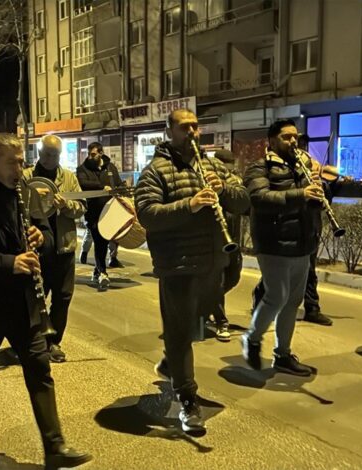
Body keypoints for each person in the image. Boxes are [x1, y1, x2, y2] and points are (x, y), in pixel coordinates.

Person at [0, 133, 91, 469]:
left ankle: (54, 446)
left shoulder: (24, 192)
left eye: (21, 161)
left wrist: (42, 237)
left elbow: (46, 233)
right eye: (13, 163)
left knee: (40, 369)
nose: (20, 169)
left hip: (23, 301)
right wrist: (8, 263)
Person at [135, 109, 249, 434]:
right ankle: (187, 399)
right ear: (169, 131)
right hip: (178, 266)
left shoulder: (213, 166)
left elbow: (243, 201)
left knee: (193, 329)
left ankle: (171, 361)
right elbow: (147, 214)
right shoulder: (156, 171)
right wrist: (190, 205)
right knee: (182, 333)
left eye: (195, 126)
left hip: (213, 264)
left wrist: (223, 190)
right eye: (185, 127)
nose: (192, 132)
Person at [241, 119, 323, 377]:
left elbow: (313, 201)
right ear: (272, 140)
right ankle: (253, 338)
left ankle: (283, 355)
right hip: (273, 242)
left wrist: (320, 190)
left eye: (295, 136)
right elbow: (259, 198)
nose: (292, 141)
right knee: (277, 296)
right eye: (286, 137)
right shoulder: (259, 167)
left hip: (302, 241)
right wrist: (301, 194)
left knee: (293, 301)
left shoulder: (302, 166)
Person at [250, 133, 335, 326]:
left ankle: (312, 308)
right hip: (281, 231)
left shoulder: (306, 163)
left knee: (309, 271)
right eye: (288, 138)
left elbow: (322, 200)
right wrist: (301, 192)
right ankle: (260, 305)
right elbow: (263, 198)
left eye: (298, 141)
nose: (295, 144)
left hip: (308, 226)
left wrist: (320, 186)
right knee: (276, 279)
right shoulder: (267, 167)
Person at [24, 135, 87, 363]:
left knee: (63, 297)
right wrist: (31, 197)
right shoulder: (26, 176)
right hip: (36, 248)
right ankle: (32, 341)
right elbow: (14, 206)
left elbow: (81, 207)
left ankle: (53, 342)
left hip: (63, 246)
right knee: (34, 298)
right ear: (39, 152)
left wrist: (66, 205)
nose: (49, 158)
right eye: (46, 153)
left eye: (54, 154)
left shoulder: (68, 177)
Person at [208, 149, 244, 342]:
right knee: (218, 282)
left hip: (234, 239)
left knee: (233, 277)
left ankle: (204, 304)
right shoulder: (208, 180)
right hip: (215, 241)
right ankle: (221, 321)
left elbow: (244, 205)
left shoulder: (235, 182)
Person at [76, 142, 123, 290]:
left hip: (110, 212)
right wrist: (102, 187)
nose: (90, 157)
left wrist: (122, 191)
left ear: (101, 153)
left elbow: (118, 184)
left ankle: (98, 270)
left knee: (106, 240)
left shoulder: (110, 168)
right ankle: (102, 272)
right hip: (93, 213)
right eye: (89, 154)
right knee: (99, 241)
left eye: (93, 154)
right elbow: (83, 183)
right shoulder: (82, 169)